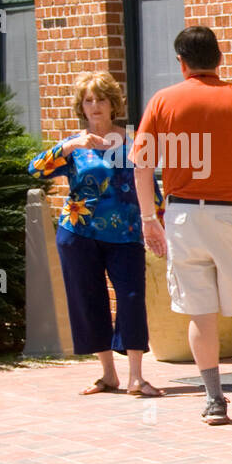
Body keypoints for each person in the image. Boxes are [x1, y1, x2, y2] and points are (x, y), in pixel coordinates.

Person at [132, 26, 232, 425]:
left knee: (199, 312)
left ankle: (214, 400)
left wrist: (148, 218)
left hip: (184, 216)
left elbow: (141, 164)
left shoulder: (163, 101)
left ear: (181, 62)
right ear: (219, 59)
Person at [29, 72, 163, 397]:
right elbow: (35, 169)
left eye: (101, 99)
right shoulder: (75, 147)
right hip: (78, 234)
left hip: (128, 234)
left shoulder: (132, 142)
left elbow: (152, 190)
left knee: (131, 298)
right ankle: (107, 374)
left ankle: (136, 377)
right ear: (82, 107)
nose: (95, 106)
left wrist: (158, 224)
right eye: (88, 100)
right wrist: (68, 145)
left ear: (112, 104)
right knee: (89, 299)